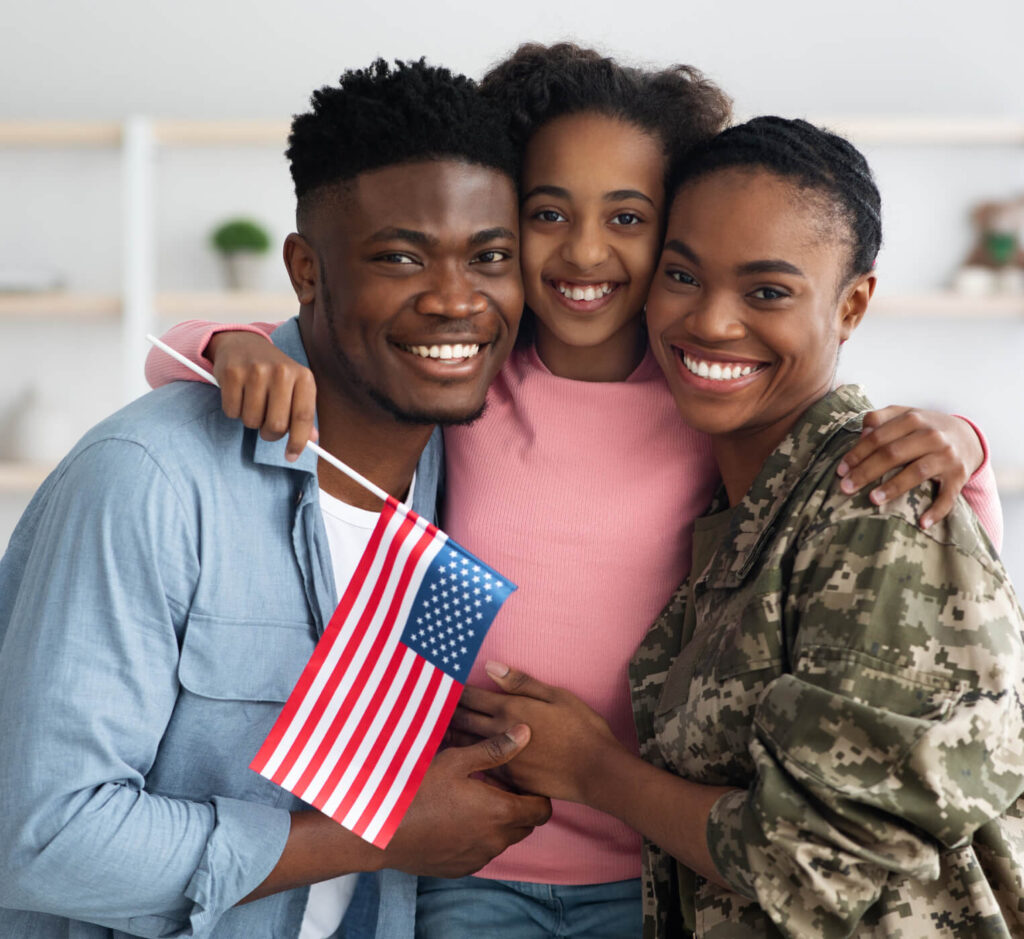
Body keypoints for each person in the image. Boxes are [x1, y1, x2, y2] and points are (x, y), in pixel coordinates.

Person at [144, 46, 1004, 938]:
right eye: (547, 212)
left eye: (628, 218)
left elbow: (921, 515)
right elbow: (230, 349)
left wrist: (967, 442)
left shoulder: (703, 399)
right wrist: (225, 342)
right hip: (470, 848)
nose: (586, 251)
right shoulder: (466, 374)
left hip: (652, 864)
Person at [0, 59, 553, 939]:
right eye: (402, 256)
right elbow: (45, 838)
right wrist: (374, 836)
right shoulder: (147, 479)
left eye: (490, 258)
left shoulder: (476, 476)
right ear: (306, 268)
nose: (457, 299)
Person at [452, 117, 1024, 938]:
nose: (713, 323)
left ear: (852, 303)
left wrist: (593, 768)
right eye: (683, 276)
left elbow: (814, 863)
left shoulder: (878, 512)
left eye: (767, 291)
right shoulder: (744, 501)